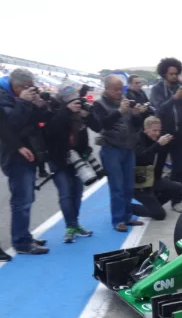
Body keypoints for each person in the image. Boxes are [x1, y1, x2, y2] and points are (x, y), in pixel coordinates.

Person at [0, 68, 51, 255]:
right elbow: (11, 125)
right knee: (21, 200)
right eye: (27, 87)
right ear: (17, 86)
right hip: (14, 155)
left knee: (27, 198)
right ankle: (21, 242)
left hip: (30, 151)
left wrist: (39, 103)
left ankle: (24, 236)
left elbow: (38, 120)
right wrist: (22, 101)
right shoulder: (3, 97)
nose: (31, 90)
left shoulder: (19, 96)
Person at [43, 84, 101, 242]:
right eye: (70, 100)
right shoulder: (53, 112)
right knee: (65, 194)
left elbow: (97, 127)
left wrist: (88, 115)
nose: (75, 102)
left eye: (76, 99)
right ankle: (70, 226)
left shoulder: (80, 112)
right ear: (62, 100)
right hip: (58, 160)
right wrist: (67, 110)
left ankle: (74, 224)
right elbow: (53, 131)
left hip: (78, 159)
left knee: (77, 192)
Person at [92, 75, 147, 232]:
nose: (118, 92)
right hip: (111, 149)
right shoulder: (98, 104)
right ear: (107, 89)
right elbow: (102, 125)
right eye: (115, 89)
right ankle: (118, 219)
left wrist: (136, 114)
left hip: (128, 148)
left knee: (129, 186)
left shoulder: (126, 101)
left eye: (120, 89)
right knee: (117, 187)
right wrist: (119, 111)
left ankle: (127, 216)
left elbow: (136, 126)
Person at [149, 57, 182, 193]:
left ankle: (177, 197)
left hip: (180, 133)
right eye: (171, 74)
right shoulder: (157, 89)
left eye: (176, 74)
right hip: (163, 132)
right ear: (164, 73)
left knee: (179, 168)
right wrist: (174, 98)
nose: (174, 76)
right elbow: (159, 109)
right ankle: (156, 193)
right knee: (159, 166)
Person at [132, 116, 182, 220]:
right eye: (154, 130)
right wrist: (158, 145)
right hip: (139, 182)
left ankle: (154, 205)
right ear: (146, 129)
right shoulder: (137, 139)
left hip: (153, 180)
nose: (157, 133)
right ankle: (126, 208)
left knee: (177, 187)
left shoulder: (159, 140)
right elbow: (141, 158)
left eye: (159, 130)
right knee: (160, 215)